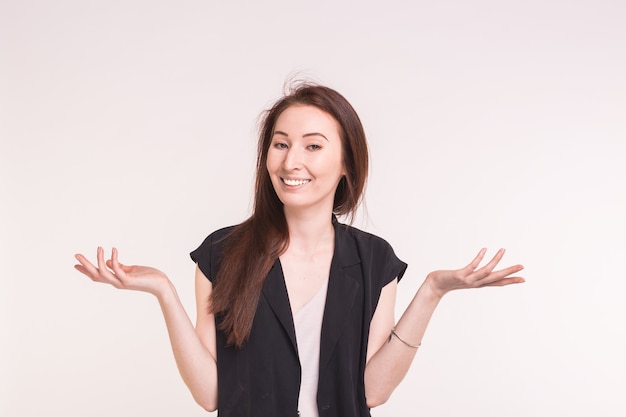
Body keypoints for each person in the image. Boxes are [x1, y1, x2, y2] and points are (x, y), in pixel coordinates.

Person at [74, 83, 525, 417]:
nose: (292, 162)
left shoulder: (374, 262)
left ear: (346, 163)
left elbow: (371, 391)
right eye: (281, 144)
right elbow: (210, 395)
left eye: (313, 146)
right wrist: (163, 293)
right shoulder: (222, 253)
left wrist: (431, 291)